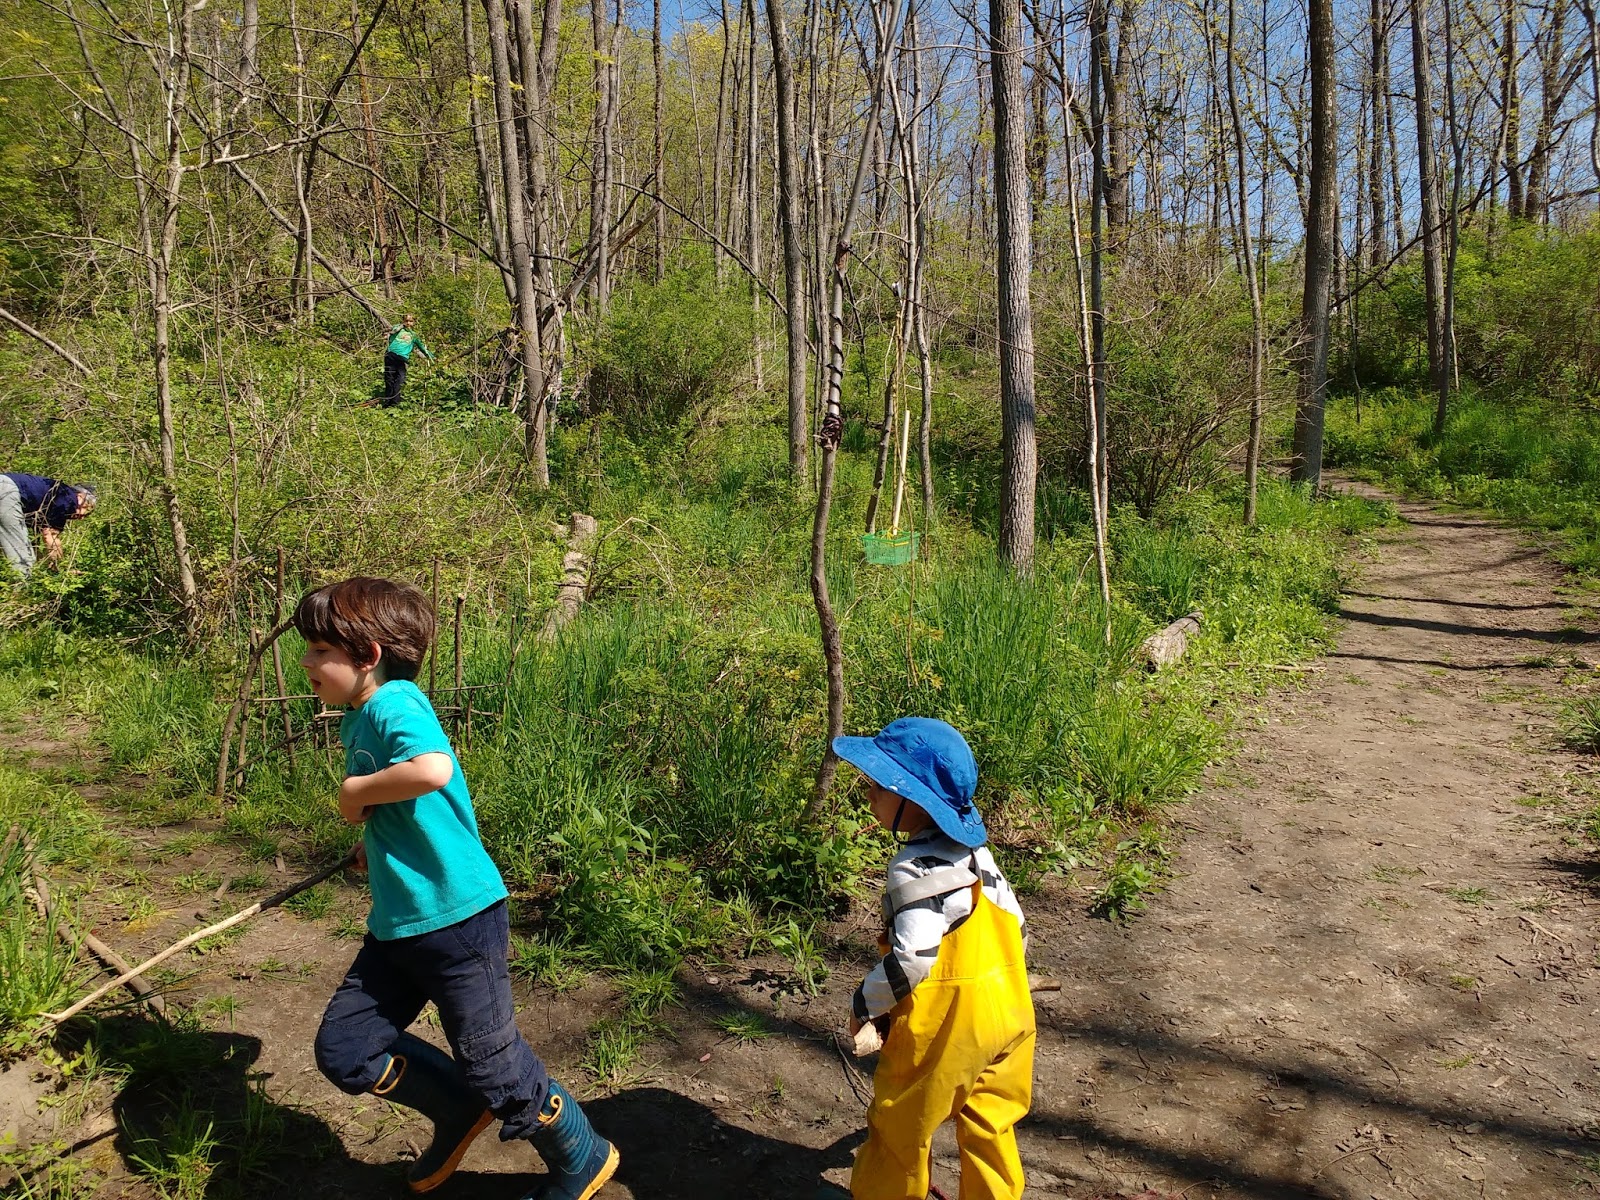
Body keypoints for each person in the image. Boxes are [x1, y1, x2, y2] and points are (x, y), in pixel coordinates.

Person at [296, 576, 617, 1200]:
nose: (306, 661)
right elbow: (416, 801)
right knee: (346, 1049)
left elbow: (432, 769)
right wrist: (376, 841)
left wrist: (353, 796)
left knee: (495, 1063)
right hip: (399, 926)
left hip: (457, 921)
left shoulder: (395, 703)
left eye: (318, 650)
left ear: (367, 657)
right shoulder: (360, 717)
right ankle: (454, 1108)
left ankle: (581, 1152)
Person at [829, 717, 1035, 1200]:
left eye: (878, 785)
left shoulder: (913, 870)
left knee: (900, 1129)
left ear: (913, 800)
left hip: (946, 1032)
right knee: (992, 1128)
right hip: (1010, 1017)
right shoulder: (978, 856)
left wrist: (866, 1003)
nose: (868, 794)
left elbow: (915, 958)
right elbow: (1018, 931)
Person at [0, 473, 96, 578]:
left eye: (87, 515)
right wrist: (61, 568)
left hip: (4, 483)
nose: (82, 516)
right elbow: (51, 537)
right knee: (22, 559)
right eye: (86, 508)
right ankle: (20, 591)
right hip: (6, 491)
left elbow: (36, 540)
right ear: (81, 496)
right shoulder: (67, 499)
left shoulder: (55, 494)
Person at [381, 314, 435, 405]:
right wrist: (400, 326)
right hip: (391, 355)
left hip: (402, 358)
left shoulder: (414, 335)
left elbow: (422, 347)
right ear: (403, 321)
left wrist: (431, 357)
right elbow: (392, 331)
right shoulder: (397, 329)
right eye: (406, 321)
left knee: (400, 379)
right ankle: (387, 401)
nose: (408, 323)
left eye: (410, 321)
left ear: (413, 323)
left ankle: (395, 401)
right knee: (389, 378)